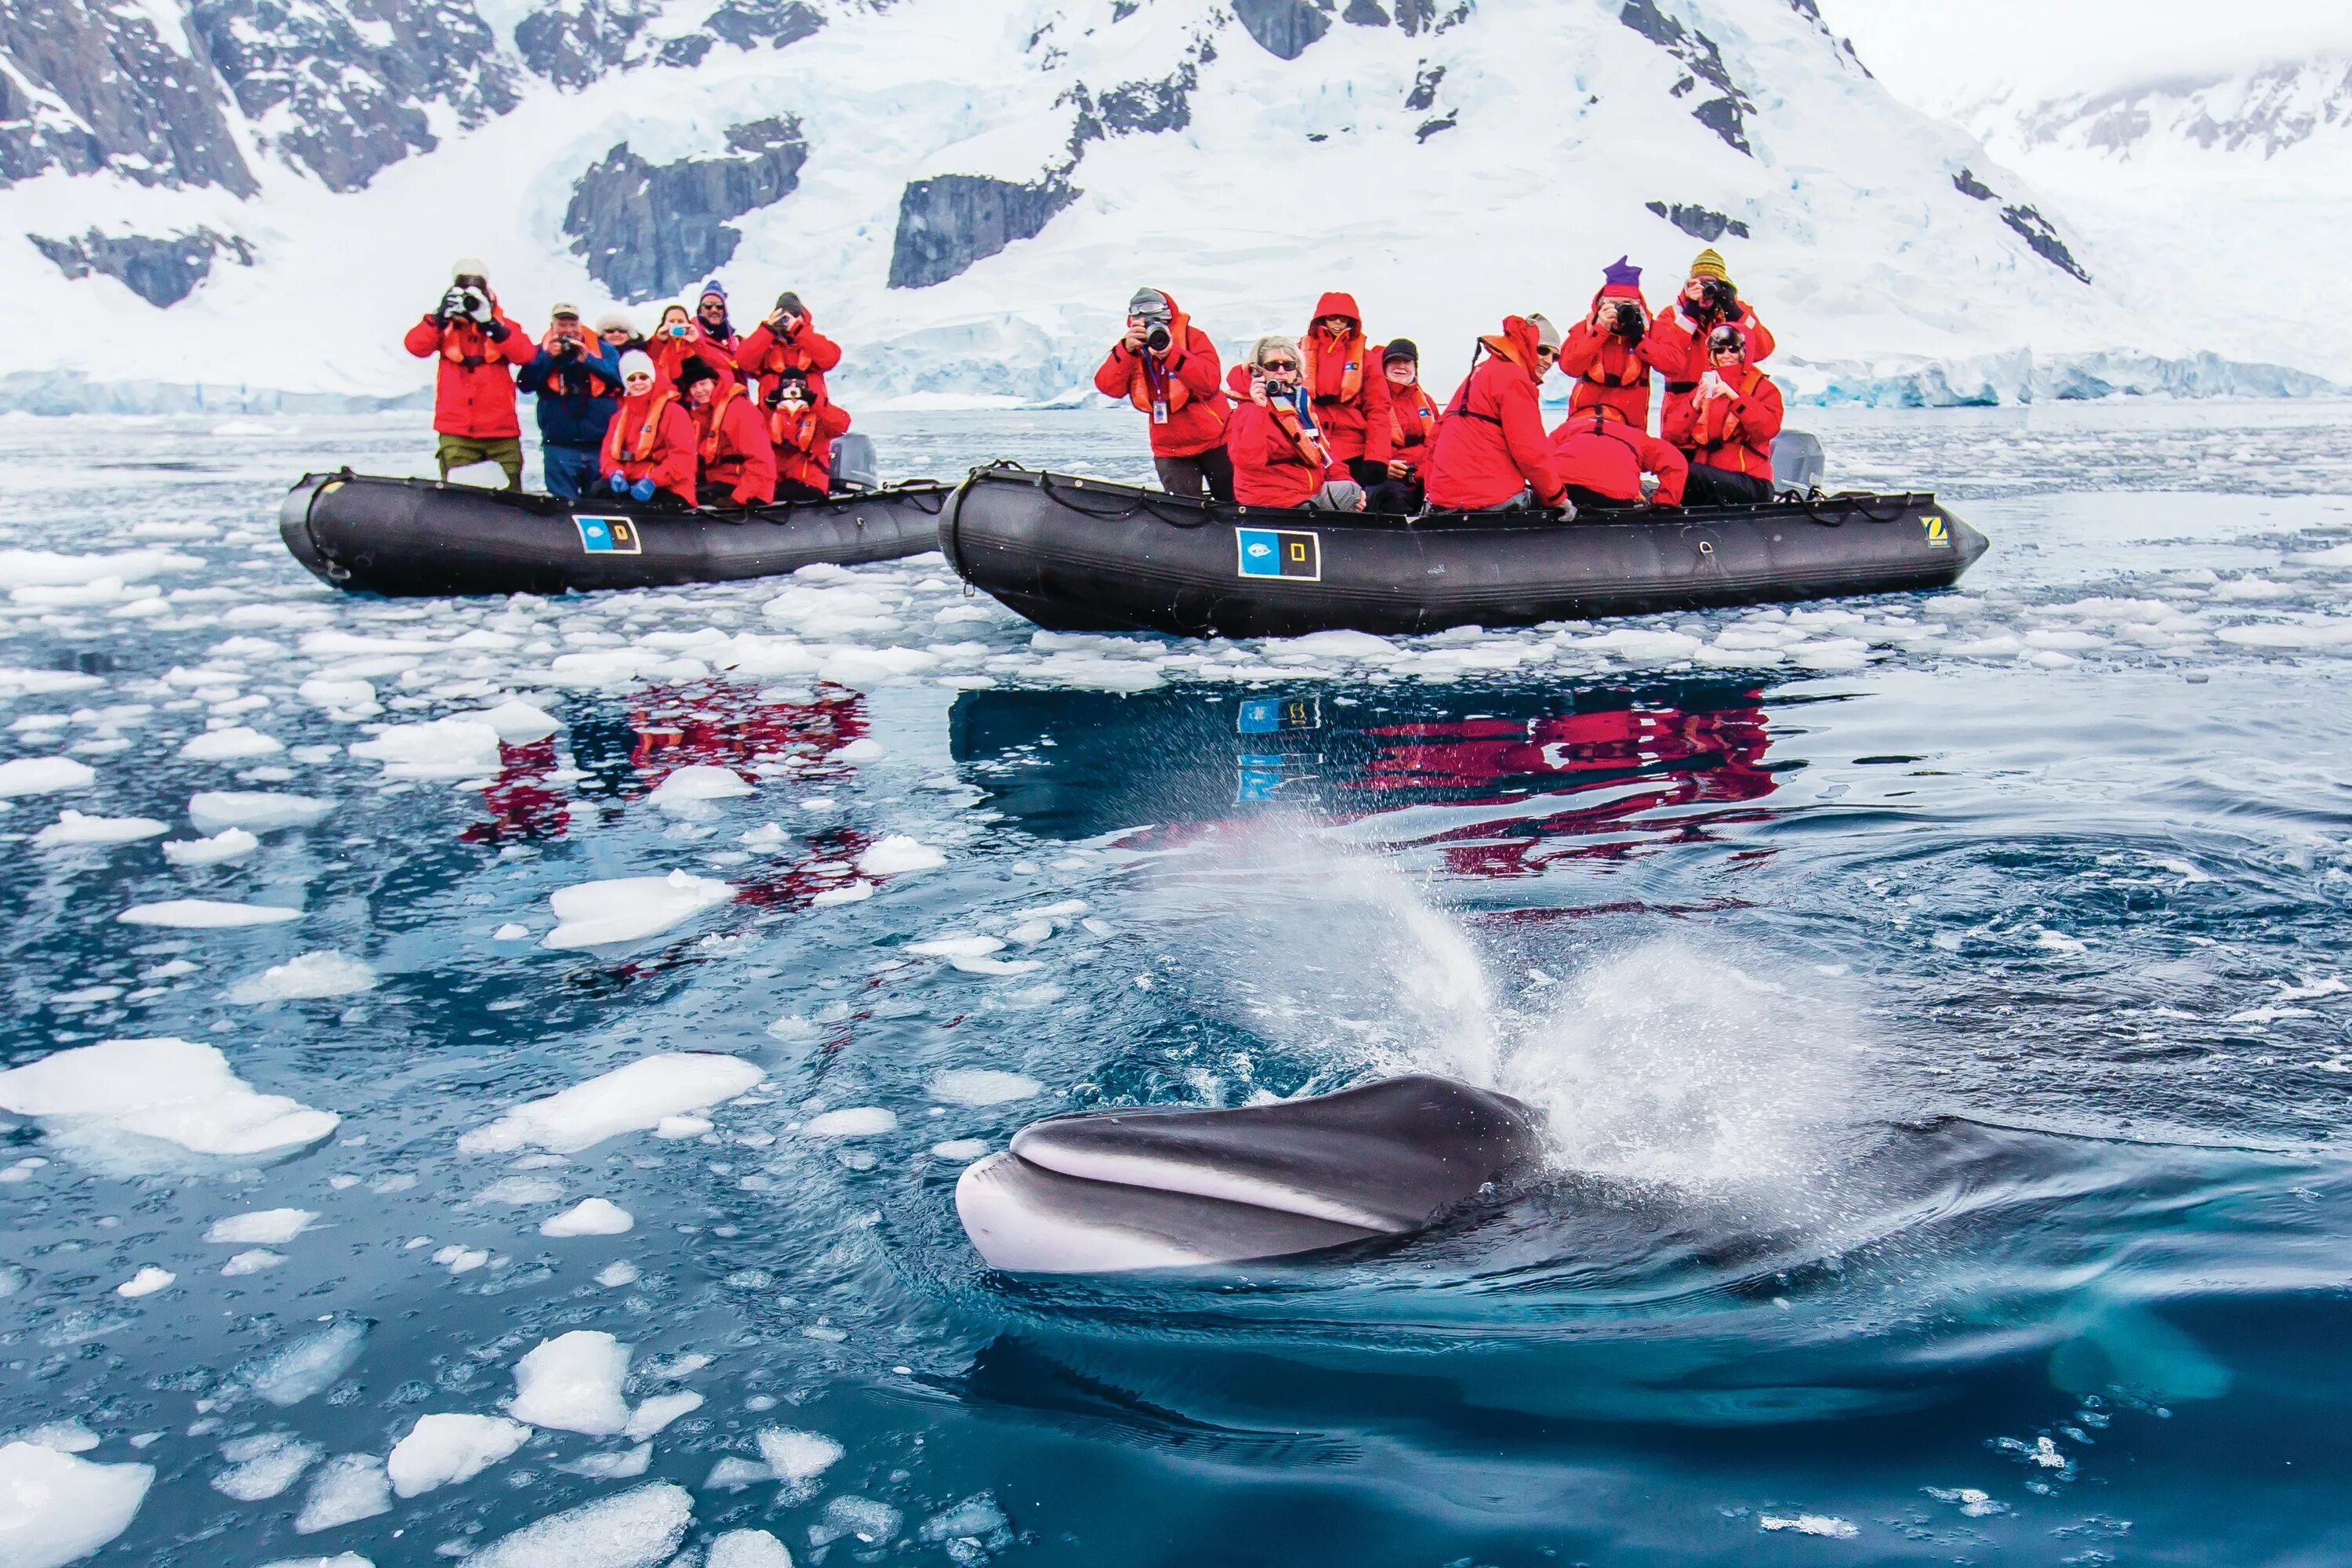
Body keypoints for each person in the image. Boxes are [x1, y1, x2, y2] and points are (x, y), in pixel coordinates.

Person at [402, 257, 535, 488]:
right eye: (462, 287)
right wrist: (440, 316)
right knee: (461, 500)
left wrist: (491, 324)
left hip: (501, 433)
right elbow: (415, 346)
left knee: (512, 500)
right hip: (458, 433)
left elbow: (525, 355)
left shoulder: (504, 326)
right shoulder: (443, 327)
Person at [1094, 287, 1230, 501]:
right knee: (1185, 511)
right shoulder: (1132, 346)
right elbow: (1108, 387)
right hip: (1170, 448)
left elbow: (1209, 383)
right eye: (1139, 314)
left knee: (1233, 502)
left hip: (1217, 440)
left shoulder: (1192, 338)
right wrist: (1125, 351)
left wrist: (1171, 354)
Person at [1424, 314, 1570, 514]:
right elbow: (1531, 453)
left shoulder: (1479, 373)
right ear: (1526, 344)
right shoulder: (1515, 379)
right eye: (1543, 350)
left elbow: (1435, 436)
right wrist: (1556, 498)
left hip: (1444, 500)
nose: (1548, 361)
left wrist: (1433, 494)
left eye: (1555, 357)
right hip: (1491, 499)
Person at [1225, 336, 1365, 511]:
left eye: (1289, 365)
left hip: (1304, 490)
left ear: (1296, 370)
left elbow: (1323, 452)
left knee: (1353, 492)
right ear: (1259, 371)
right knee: (1347, 497)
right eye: (1273, 365)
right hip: (1272, 498)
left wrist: (1345, 481)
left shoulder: (1299, 404)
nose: (1282, 371)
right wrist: (1258, 408)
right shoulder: (1248, 409)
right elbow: (1247, 460)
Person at [1651, 248, 1775, 438]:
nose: (1706, 292)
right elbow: (1666, 362)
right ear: (1689, 285)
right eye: (1699, 284)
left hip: (1723, 409)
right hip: (1682, 409)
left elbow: (1762, 350)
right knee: (1680, 462)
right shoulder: (1673, 315)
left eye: (1712, 285)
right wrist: (1689, 316)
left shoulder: (1735, 313)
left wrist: (1734, 310)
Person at [1663, 325, 1784, 506]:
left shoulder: (1764, 389)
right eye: (1719, 350)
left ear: (1744, 351)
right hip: (1712, 480)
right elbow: (1670, 435)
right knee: (1673, 468)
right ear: (1712, 354)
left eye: (1733, 349)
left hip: (1751, 482)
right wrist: (1693, 405)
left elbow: (1767, 430)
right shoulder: (1702, 389)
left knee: (1689, 473)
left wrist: (1736, 398)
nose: (1726, 355)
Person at [517, 301, 622, 500]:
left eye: (573, 325)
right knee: (562, 506)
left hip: (599, 444)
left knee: (603, 502)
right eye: (562, 325)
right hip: (559, 445)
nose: (568, 331)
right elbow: (525, 384)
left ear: (581, 326)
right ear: (552, 327)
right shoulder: (541, 351)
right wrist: (549, 358)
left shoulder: (603, 350)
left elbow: (621, 379)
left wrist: (589, 361)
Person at [1559, 256, 1668, 430]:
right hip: (1585, 424)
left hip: (1630, 429)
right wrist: (1600, 330)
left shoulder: (1651, 330)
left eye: (1626, 305)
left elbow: (1674, 366)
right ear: (1602, 304)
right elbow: (1569, 366)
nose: (1619, 312)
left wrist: (1640, 340)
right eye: (1613, 305)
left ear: (1638, 306)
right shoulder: (1586, 328)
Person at [1301, 292, 1392, 487]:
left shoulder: (1367, 360)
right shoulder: (1297, 352)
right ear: (1321, 319)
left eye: (1344, 318)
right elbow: (1252, 374)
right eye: (1332, 317)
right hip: (1307, 447)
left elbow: (1378, 410)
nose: (1338, 323)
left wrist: (1377, 458)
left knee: (1356, 502)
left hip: (1352, 451)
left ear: (1352, 321)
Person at [600, 350, 698, 506]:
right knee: (598, 491)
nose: (638, 383)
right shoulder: (618, 418)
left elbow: (683, 458)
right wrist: (614, 473)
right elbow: (607, 455)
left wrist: (653, 481)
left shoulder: (674, 412)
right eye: (632, 379)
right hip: (631, 482)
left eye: (643, 377)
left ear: (652, 378)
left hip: (667, 485)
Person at [1548, 403, 1688, 508]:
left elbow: (1538, 458)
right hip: (1616, 498)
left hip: (1562, 491)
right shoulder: (1634, 435)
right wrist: (1662, 504)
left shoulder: (1565, 429)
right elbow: (1676, 461)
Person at [677, 358, 775, 507]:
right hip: (721, 480)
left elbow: (762, 461)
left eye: (703, 384)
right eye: (693, 386)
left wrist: (738, 498)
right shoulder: (704, 414)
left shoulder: (740, 411)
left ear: (715, 382)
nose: (699, 390)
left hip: (749, 489)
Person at [1365, 339, 1439, 513]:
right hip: (1385, 481)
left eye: (1406, 362)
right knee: (1395, 496)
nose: (1400, 366)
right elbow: (1355, 443)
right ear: (1383, 366)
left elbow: (1443, 441)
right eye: (1393, 361)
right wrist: (1382, 467)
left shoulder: (1427, 402)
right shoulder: (1369, 400)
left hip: (1424, 479)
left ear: (1415, 367)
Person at [764, 369, 852, 503]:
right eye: (787, 384)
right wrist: (769, 404)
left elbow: (841, 425)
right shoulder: (770, 417)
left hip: (811, 484)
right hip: (779, 482)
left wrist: (815, 403)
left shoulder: (819, 416)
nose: (793, 389)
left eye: (799, 385)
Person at [735, 291, 842, 402]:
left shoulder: (812, 340)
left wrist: (798, 330)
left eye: (795, 315)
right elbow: (743, 361)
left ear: (803, 318)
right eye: (783, 315)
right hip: (774, 414)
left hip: (811, 413)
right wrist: (767, 330)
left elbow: (831, 358)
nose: (788, 318)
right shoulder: (766, 346)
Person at [647, 302, 735, 392]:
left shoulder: (694, 343)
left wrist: (696, 341)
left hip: (694, 394)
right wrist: (658, 340)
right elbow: (648, 362)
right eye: (671, 321)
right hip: (668, 394)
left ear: (687, 324)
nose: (676, 325)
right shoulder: (658, 344)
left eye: (681, 321)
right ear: (664, 324)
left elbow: (722, 365)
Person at [694, 280, 741, 362]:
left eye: (719, 306)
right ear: (700, 310)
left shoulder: (736, 341)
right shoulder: (690, 336)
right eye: (708, 306)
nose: (714, 310)